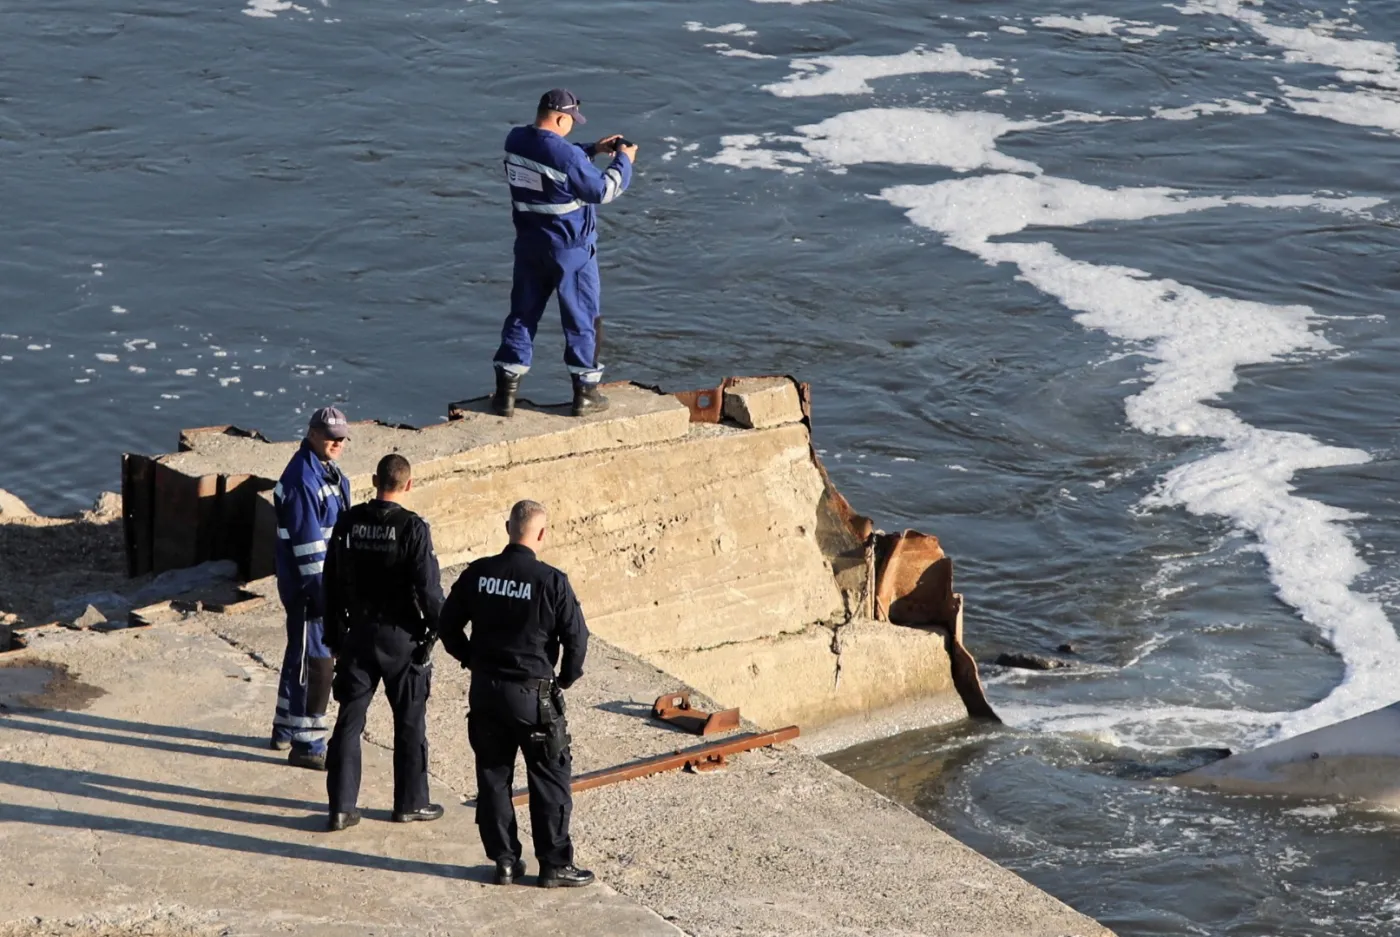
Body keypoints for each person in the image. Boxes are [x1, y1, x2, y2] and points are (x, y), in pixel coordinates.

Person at [439, 500, 592, 888]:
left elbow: (448, 625)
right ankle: (554, 863)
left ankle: (505, 861)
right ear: (541, 534)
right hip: (534, 696)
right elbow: (577, 638)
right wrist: (566, 678)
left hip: (487, 692)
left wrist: (471, 658)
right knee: (549, 777)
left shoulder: (479, 573)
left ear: (508, 527)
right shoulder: (552, 581)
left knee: (493, 776)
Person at [492, 88, 639, 419]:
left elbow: (552, 161)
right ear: (560, 117)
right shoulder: (568, 157)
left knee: (522, 313)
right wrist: (623, 160)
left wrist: (592, 149)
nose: (572, 125)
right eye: (571, 120)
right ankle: (585, 392)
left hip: (530, 244)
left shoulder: (515, 141)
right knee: (582, 318)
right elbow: (603, 190)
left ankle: (505, 394)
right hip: (570, 251)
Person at [321, 454, 446, 832]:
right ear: (408, 485)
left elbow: (329, 582)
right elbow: (428, 589)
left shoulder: (348, 522)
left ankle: (341, 807)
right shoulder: (413, 529)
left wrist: (333, 634)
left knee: (349, 721)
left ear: (374, 479)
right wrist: (440, 629)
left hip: (357, 634)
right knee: (409, 722)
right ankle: (409, 803)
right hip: (402, 639)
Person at [270, 406, 352, 770]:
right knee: (318, 663)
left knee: (299, 653)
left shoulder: (327, 472)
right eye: (331, 436)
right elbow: (308, 551)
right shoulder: (304, 479)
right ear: (313, 433)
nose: (338, 442)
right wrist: (325, 598)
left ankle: (285, 726)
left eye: (342, 437)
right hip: (310, 587)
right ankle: (308, 743)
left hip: (317, 583)